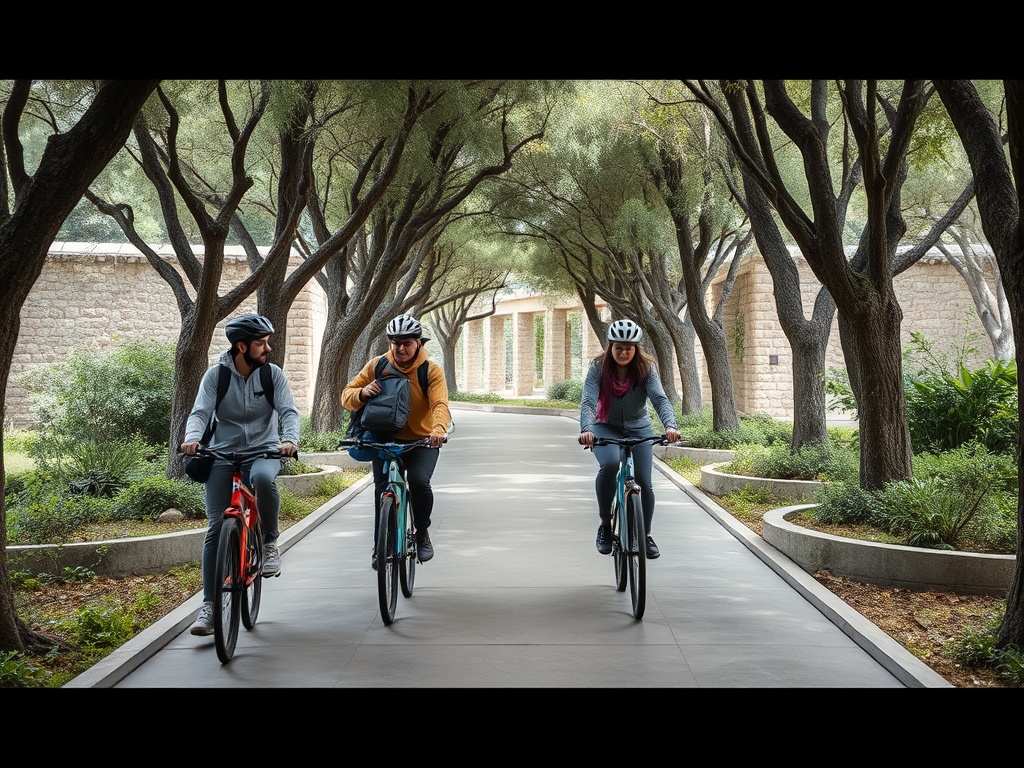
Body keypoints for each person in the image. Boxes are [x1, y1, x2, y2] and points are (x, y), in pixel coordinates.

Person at [181, 314, 300, 637]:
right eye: (261, 343)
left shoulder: (271, 375)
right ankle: (209, 606)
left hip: (263, 451)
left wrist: (290, 440)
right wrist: (192, 439)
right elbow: (200, 412)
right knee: (215, 528)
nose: (268, 349)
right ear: (242, 347)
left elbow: (288, 411)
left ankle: (270, 542)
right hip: (222, 453)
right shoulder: (216, 376)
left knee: (262, 479)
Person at [341, 314, 450, 569]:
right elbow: (346, 395)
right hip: (385, 441)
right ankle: (382, 545)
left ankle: (422, 532)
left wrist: (438, 429)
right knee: (381, 489)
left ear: (418, 343)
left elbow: (439, 404)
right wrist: (362, 393)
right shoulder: (378, 365)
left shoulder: (430, 370)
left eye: (406, 343)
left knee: (419, 481)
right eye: (395, 342)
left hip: (422, 441)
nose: (400, 348)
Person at [578, 318, 681, 559]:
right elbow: (589, 401)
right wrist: (586, 429)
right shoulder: (598, 368)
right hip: (604, 427)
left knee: (644, 481)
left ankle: (645, 535)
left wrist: (670, 425)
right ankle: (605, 525)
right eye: (618, 348)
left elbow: (659, 399)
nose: (623, 352)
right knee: (611, 464)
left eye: (628, 348)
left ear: (636, 349)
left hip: (639, 428)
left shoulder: (646, 369)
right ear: (610, 347)